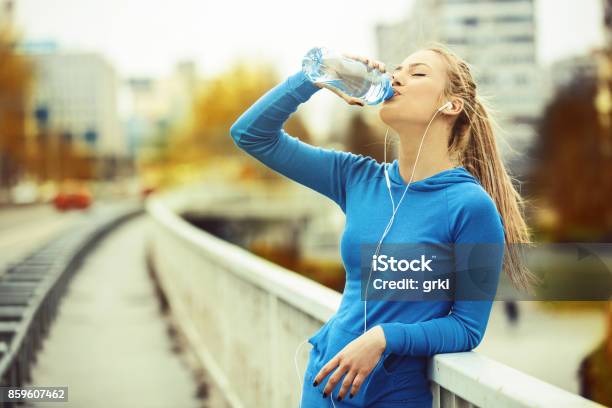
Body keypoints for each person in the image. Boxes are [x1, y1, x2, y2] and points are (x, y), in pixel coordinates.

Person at [229, 42, 537, 407]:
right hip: (324, 385)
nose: (396, 77)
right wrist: (312, 78)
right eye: (397, 70)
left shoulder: (471, 208)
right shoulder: (357, 178)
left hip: (394, 396)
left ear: (451, 105)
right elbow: (250, 134)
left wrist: (383, 338)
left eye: (417, 72)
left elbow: (466, 328)